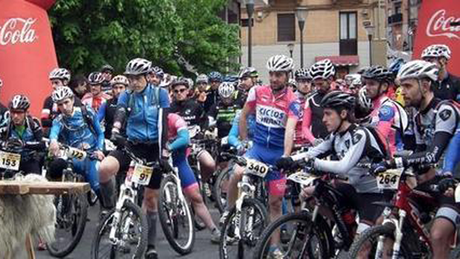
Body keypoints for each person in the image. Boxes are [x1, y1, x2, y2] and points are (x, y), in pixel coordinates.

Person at [276, 91, 391, 257]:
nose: (323, 119)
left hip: (375, 195)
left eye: (328, 114)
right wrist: (290, 160)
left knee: (361, 250)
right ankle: (345, 226)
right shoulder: (336, 136)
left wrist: (313, 163)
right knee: (308, 194)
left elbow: (343, 167)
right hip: (354, 188)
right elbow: (314, 152)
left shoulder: (361, 134)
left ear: (343, 114)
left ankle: (358, 236)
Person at [372, 60, 460, 259]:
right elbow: (416, 154)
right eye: (401, 86)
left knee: (438, 235)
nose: (402, 91)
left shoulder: (444, 111)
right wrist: (385, 163)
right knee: (388, 219)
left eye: (408, 86)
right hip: (439, 180)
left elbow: (431, 155)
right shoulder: (417, 116)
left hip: (456, 181)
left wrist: (395, 163)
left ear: (426, 85)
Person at [98, 58, 170, 259]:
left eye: (137, 78)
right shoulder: (126, 95)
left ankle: (151, 245)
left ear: (147, 77)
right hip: (132, 145)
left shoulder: (160, 94)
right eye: (130, 78)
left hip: (152, 150)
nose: (133, 82)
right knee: (104, 169)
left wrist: (163, 152)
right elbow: (120, 112)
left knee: (150, 199)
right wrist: (115, 129)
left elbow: (163, 124)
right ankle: (110, 208)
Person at [224, 55, 300, 245]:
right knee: (237, 173)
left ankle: (274, 247)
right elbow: (243, 117)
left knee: (275, 203)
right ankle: (230, 213)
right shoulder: (257, 92)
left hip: (276, 155)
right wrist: (244, 142)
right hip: (257, 149)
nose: (274, 78)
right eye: (272, 74)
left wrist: (286, 156)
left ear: (287, 75)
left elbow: (290, 130)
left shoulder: (293, 100)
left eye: (279, 75)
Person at [166, 112, 221, 243]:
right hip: (156, 163)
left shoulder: (174, 119)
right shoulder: (148, 122)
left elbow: (185, 138)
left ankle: (214, 230)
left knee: (196, 197)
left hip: (178, 160)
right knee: (148, 199)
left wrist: (169, 147)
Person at [48, 86, 105, 196]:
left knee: (95, 185)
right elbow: (53, 133)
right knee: (57, 168)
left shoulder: (86, 112)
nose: (64, 107)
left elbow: (100, 133)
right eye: (60, 104)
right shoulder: (59, 120)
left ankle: (106, 207)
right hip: (74, 155)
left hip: (92, 154)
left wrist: (99, 149)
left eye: (66, 102)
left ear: (73, 100)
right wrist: (53, 141)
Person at [170, 78, 216, 182]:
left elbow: (205, 120)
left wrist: (204, 132)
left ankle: (203, 182)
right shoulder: (169, 108)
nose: (179, 93)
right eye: (176, 91)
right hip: (178, 146)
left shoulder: (195, 106)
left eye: (182, 90)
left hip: (195, 144)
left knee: (210, 164)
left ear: (187, 91)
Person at [361, 65, 408, 154]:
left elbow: (380, 137)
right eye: (365, 83)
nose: (366, 87)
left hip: (391, 158)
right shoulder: (373, 106)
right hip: (378, 156)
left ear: (384, 86)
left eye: (371, 84)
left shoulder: (387, 108)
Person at [0, 95, 44, 175]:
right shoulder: (6, 124)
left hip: (28, 158)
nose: (15, 116)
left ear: (26, 112)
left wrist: (24, 144)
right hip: (11, 158)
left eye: (19, 112)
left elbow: (42, 144)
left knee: (35, 178)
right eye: (13, 112)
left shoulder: (33, 124)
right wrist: (5, 144)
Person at [302, 59, 335, 145]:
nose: (318, 87)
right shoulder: (311, 100)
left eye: (320, 84)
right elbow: (305, 126)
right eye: (315, 84)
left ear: (330, 79)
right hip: (318, 143)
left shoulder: (340, 97)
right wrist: (313, 140)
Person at [97, 75, 128, 140]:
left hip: (127, 138)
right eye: (116, 88)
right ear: (112, 89)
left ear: (126, 89)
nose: (118, 91)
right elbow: (97, 120)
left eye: (121, 87)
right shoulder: (106, 103)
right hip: (110, 138)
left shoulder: (132, 103)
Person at [293, 68, 313, 146]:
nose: (306, 84)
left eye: (308, 81)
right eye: (302, 81)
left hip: (311, 141)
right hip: (294, 142)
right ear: (296, 83)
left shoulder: (314, 99)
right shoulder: (291, 99)